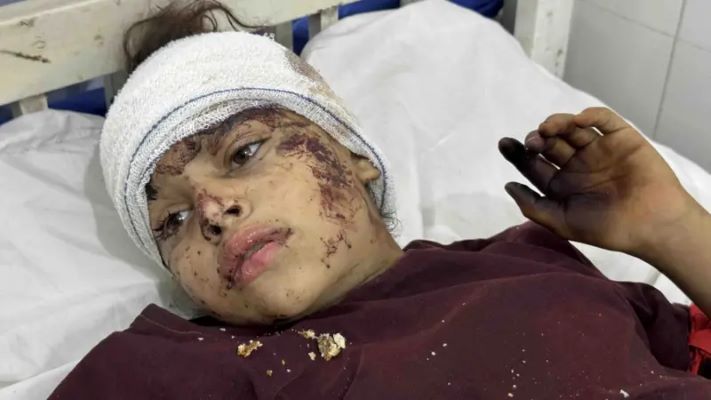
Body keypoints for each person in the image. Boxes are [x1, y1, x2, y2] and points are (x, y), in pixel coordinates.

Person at [50, 2, 711, 399]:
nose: (211, 210)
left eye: (244, 152)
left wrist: (672, 229)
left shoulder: (533, 262)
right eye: (171, 220)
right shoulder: (167, 368)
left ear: (354, 154)